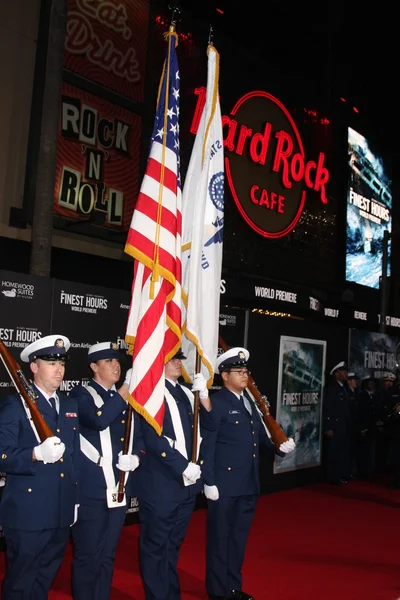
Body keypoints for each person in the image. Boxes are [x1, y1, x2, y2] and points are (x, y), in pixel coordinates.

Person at [200, 347, 295, 600]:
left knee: (238, 541)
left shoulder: (250, 404)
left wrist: (279, 447)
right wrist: (208, 481)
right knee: (220, 541)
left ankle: (233, 587)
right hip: (224, 485)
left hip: (248, 484)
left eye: (245, 371)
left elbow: (261, 441)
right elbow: (207, 445)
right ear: (224, 376)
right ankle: (218, 592)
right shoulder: (217, 403)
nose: (245, 375)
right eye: (238, 371)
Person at [0, 334, 79, 599]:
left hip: (60, 511)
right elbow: (2, 454)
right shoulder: (15, 405)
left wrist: (74, 500)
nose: (59, 369)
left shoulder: (68, 405)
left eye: (62, 363)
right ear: (33, 367)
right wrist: (34, 453)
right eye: (51, 362)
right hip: (28, 514)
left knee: (44, 578)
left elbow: (73, 457)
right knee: (21, 582)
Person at [69, 342, 145, 600]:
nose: (116, 365)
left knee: (108, 555)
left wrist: (136, 456)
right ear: (93, 367)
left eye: (117, 361)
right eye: (109, 361)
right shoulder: (81, 395)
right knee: (88, 556)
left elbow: (140, 436)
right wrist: (124, 389)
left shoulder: (126, 398)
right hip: (91, 492)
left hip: (119, 489)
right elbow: (99, 419)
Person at [137, 348, 212, 600]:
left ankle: (170, 593)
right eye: (172, 359)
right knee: (156, 547)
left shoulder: (183, 391)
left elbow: (203, 430)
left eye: (180, 358)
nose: (179, 363)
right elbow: (154, 439)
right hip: (162, 484)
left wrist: (203, 396)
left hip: (186, 485)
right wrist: (183, 466)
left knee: (173, 545)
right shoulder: (151, 393)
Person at [322, 361, 353, 485]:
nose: (346, 374)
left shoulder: (344, 388)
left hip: (343, 426)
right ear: (337, 373)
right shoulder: (332, 388)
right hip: (335, 426)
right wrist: (328, 427)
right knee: (334, 453)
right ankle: (333, 477)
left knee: (342, 452)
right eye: (344, 372)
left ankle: (341, 474)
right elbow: (328, 408)